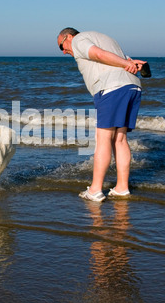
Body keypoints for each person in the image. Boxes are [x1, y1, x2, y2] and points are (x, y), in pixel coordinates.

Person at [57, 27, 147, 202]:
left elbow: (98, 54)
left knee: (103, 138)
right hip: (132, 87)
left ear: (68, 37)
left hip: (112, 89)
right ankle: (122, 187)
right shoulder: (104, 37)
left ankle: (95, 190)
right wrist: (128, 62)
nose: (64, 52)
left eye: (62, 46)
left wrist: (125, 63)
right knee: (119, 139)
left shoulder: (79, 40)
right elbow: (111, 56)